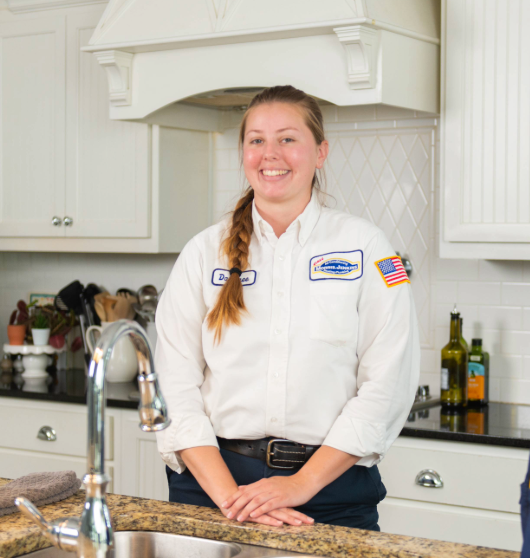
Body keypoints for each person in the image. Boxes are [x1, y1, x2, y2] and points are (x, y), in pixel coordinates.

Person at [154, 85, 420, 530]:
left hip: (331, 492)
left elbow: (387, 385)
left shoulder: (369, 248)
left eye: (288, 139)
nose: (269, 153)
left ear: (321, 152)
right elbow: (174, 387)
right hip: (211, 489)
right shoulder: (202, 253)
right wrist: (234, 498)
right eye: (256, 140)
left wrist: (298, 485)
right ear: (243, 153)